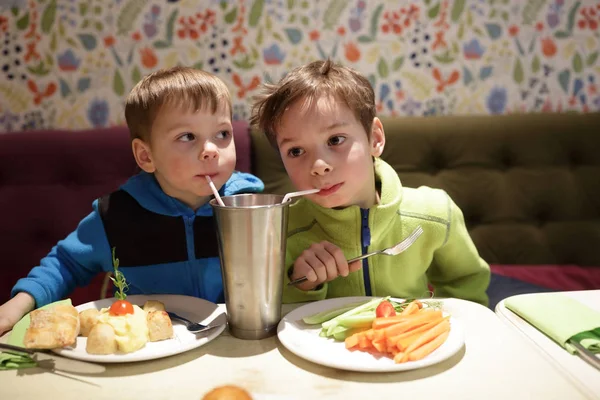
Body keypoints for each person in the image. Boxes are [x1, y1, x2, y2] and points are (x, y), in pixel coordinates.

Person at [0, 66, 264, 335]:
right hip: (146, 351)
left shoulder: (251, 207)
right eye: (187, 136)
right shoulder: (116, 216)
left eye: (222, 134)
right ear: (146, 156)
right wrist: (18, 305)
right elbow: (65, 264)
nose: (210, 150)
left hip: (228, 345)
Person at [251, 59, 490, 306]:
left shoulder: (435, 212)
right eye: (296, 151)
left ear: (374, 138)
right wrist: (301, 284)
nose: (319, 165)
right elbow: (272, 312)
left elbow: (467, 287)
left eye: (335, 140)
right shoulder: (282, 229)